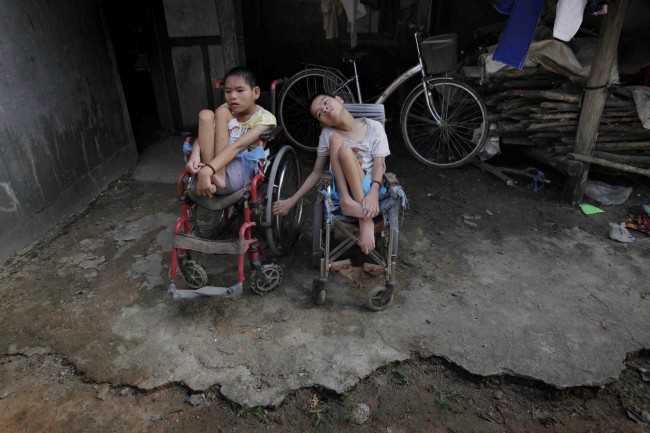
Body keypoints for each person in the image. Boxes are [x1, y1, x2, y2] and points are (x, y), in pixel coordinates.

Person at [273, 94, 390, 255]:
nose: (325, 109)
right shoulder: (327, 134)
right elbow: (316, 172)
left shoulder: (374, 127)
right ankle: (355, 210)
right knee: (336, 140)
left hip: (368, 190)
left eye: (325, 103)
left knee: (343, 150)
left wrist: (374, 192)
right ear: (322, 123)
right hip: (340, 192)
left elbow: (379, 164)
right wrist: (292, 201)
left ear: (339, 99)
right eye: (320, 113)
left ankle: (360, 214)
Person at [185, 66, 276, 197]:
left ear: (255, 92)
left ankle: (217, 174)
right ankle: (214, 175)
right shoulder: (226, 109)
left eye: (240, 90)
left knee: (221, 112)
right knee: (205, 115)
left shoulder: (265, 118)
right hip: (211, 167)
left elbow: (237, 146)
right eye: (228, 91)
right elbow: (208, 133)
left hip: (240, 171)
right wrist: (195, 154)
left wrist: (208, 170)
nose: (233, 96)